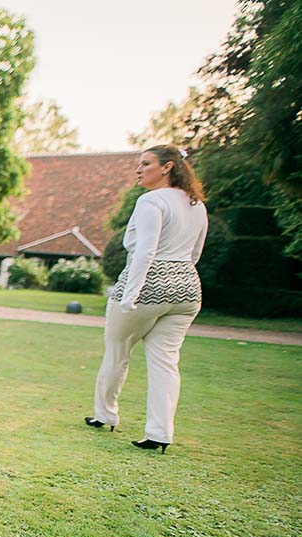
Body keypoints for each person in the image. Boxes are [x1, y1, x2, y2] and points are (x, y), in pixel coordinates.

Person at [85, 144, 208, 453]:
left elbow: (145, 251)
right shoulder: (197, 205)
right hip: (187, 289)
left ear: (167, 167)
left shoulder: (151, 200)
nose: (138, 170)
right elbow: (195, 254)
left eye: (145, 163)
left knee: (117, 350)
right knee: (166, 362)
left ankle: (105, 414)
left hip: (147, 287)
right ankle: (160, 433)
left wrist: (130, 295)